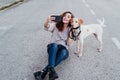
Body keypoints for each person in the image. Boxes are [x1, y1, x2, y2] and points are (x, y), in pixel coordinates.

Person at [34, 11, 74, 80]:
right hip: (53, 49)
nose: (66, 17)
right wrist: (47, 20)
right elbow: (46, 26)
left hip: (63, 51)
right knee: (54, 45)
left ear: (71, 20)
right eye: (64, 16)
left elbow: (68, 44)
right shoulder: (56, 25)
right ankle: (50, 71)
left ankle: (43, 72)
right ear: (62, 17)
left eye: (68, 17)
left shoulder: (71, 29)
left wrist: (70, 34)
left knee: (64, 52)